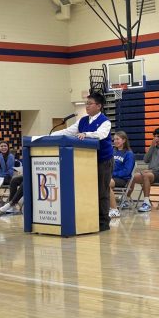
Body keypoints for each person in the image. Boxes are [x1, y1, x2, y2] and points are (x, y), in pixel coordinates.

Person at [52, 92, 113, 231]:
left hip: (103, 160)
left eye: (90, 104)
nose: (87, 106)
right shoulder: (83, 120)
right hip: (86, 161)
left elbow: (101, 135)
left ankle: (103, 222)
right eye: (86, 103)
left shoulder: (105, 121)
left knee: (102, 191)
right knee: (87, 190)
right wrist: (49, 135)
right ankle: (89, 219)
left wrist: (86, 134)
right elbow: (69, 131)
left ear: (99, 106)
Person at [121, 127, 159, 213]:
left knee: (146, 175)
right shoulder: (153, 148)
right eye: (155, 136)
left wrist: (152, 171)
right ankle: (126, 200)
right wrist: (151, 147)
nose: (156, 138)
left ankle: (146, 203)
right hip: (151, 173)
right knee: (133, 176)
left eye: (158, 136)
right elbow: (145, 160)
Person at [109, 131, 135, 218]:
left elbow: (127, 171)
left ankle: (114, 209)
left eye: (117, 139)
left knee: (106, 183)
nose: (115, 141)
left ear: (124, 140)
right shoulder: (112, 152)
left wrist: (113, 174)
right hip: (111, 177)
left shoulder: (129, 154)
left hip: (123, 179)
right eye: (114, 139)